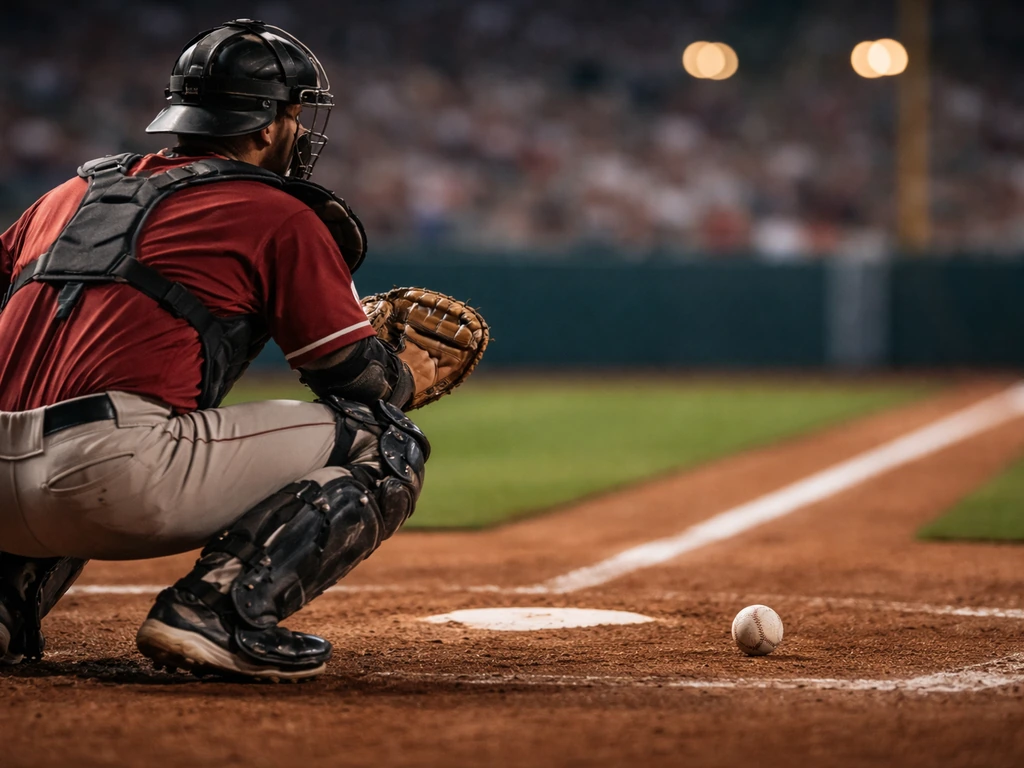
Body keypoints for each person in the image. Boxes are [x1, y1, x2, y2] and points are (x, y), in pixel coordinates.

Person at [0, 19, 430, 681]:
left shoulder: (67, 194)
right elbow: (350, 376)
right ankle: (218, 611)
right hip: (109, 474)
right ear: (265, 126)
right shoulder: (278, 211)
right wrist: (403, 375)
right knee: (385, 440)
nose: (299, 129)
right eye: (294, 113)